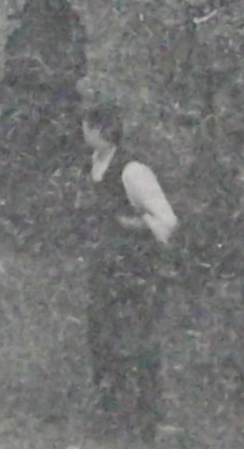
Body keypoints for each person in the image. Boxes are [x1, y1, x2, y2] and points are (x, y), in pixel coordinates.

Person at [80, 102, 178, 446]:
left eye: (88, 126)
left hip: (135, 272)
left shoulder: (132, 171)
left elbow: (166, 220)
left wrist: (133, 224)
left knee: (137, 337)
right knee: (102, 335)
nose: (84, 132)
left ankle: (148, 414)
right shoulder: (95, 165)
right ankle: (112, 410)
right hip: (105, 269)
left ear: (103, 130)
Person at [0, 0, 89, 233]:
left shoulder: (49, 38)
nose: (17, 4)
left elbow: (54, 76)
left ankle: (18, 211)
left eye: (23, 0)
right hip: (32, 104)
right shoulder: (30, 35)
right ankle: (11, 207)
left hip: (45, 110)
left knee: (10, 144)